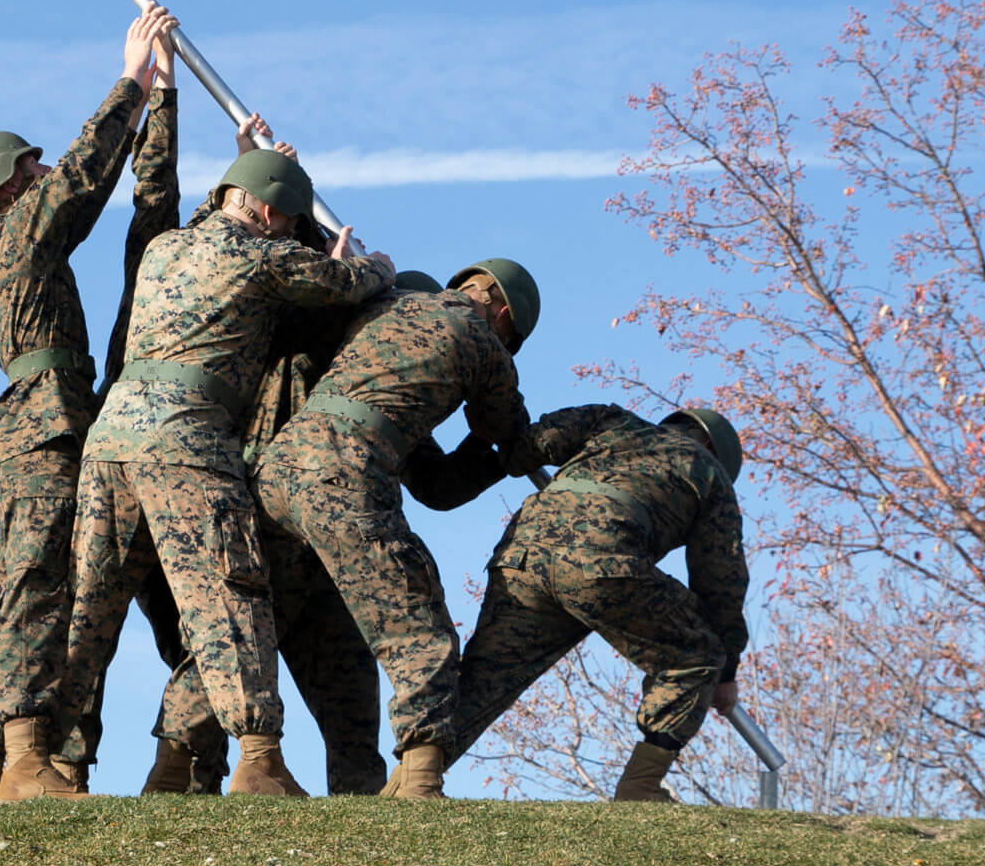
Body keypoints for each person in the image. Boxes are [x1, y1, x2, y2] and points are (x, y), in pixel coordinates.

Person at [58, 139, 395, 795]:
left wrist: (250, 161)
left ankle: (49, 763)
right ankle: (259, 758)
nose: (290, 233)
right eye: (289, 221)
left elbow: (220, 216)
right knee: (226, 595)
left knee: (90, 608)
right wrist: (370, 262)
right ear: (269, 213)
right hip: (187, 442)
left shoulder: (166, 247)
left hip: (110, 442)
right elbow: (344, 285)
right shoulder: (263, 255)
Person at [0, 2, 175, 802]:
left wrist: (160, 101)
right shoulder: (15, 232)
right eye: (32, 164)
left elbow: (126, 204)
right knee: (38, 585)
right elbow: (85, 175)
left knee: (21, 588)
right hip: (42, 421)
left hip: (45, 417)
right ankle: (20, 760)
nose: (46, 169)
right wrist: (131, 81)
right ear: (10, 184)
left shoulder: (16, 240)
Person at [248, 259, 541, 798]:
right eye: (510, 340)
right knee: (417, 623)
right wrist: (526, 443)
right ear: (502, 314)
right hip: (345, 477)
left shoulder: (386, 306)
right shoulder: (481, 338)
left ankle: (185, 766)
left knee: (250, 622)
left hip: (276, 472)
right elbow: (508, 431)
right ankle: (421, 778)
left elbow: (436, 486)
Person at [439, 403, 750, 802]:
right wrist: (726, 668)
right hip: (603, 566)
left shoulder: (613, 420)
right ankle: (640, 789)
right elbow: (721, 580)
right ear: (710, 446)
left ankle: (414, 778)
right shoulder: (709, 471)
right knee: (698, 654)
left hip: (523, 555)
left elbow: (533, 444)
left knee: (484, 680)